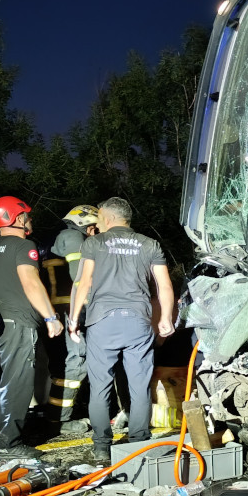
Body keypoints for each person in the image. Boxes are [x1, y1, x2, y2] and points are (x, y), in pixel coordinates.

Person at [67, 197, 175, 464]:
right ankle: (138, 443)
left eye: (99, 216)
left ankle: (102, 446)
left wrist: (73, 319)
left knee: (100, 386)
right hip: (138, 321)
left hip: (102, 321)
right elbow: (164, 286)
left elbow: (85, 283)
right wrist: (167, 318)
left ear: (110, 218)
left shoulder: (94, 243)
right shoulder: (150, 244)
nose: (97, 221)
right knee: (139, 385)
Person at [0, 196, 64, 461]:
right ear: (17, 218)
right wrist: (51, 317)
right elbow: (31, 282)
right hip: (18, 322)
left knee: (9, 383)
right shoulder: (23, 245)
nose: (30, 220)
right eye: (27, 216)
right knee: (18, 384)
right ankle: (10, 444)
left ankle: (9, 436)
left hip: (1, 322)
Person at [48, 204, 100, 433]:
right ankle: (60, 419)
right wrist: (84, 313)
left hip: (60, 312)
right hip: (70, 312)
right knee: (76, 362)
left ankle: (61, 415)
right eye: (94, 227)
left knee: (69, 365)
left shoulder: (60, 238)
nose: (96, 233)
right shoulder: (72, 238)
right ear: (85, 225)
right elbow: (79, 279)